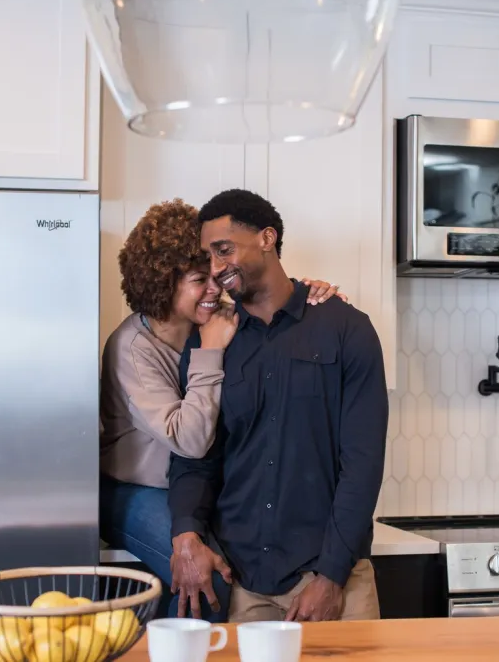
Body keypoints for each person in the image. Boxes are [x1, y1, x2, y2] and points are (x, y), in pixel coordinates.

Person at [99, 198, 344, 622]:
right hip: (136, 489)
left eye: (214, 272)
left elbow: (273, 302)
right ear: (162, 283)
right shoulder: (133, 349)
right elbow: (190, 441)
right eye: (199, 279)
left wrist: (312, 294)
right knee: (208, 581)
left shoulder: (214, 319)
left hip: (195, 492)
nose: (215, 287)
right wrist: (210, 353)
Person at [167, 189, 389, 623]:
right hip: (244, 584)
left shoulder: (347, 330)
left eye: (224, 250)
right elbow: (196, 458)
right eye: (207, 256)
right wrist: (186, 532)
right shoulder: (210, 342)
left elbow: (362, 463)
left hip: (334, 578)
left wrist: (330, 576)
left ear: (267, 238)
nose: (215, 268)